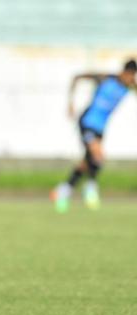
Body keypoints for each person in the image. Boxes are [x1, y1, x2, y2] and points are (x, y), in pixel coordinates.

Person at [51, 59, 137, 213]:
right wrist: (70, 102)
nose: (132, 79)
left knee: (86, 162)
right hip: (87, 121)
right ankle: (90, 188)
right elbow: (77, 77)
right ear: (125, 72)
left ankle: (63, 191)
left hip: (100, 128)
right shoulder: (106, 79)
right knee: (98, 156)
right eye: (132, 75)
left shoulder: (129, 86)